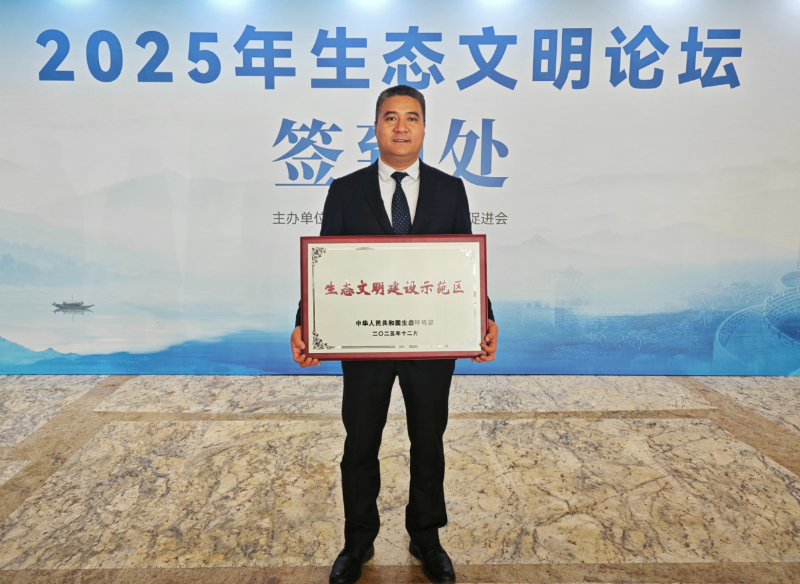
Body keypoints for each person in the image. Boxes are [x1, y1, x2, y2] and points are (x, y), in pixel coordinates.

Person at [290, 85, 498, 584]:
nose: (401, 127)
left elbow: (465, 262)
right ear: (376, 127)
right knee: (360, 443)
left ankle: (426, 537)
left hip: (431, 341)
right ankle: (357, 541)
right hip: (367, 342)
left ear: (425, 127)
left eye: (411, 117)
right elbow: (325, 266)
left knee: (429, 441)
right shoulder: (345, 190)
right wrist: (305, 324)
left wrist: (484, 319)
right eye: (390, 117)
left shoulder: (451, 189)